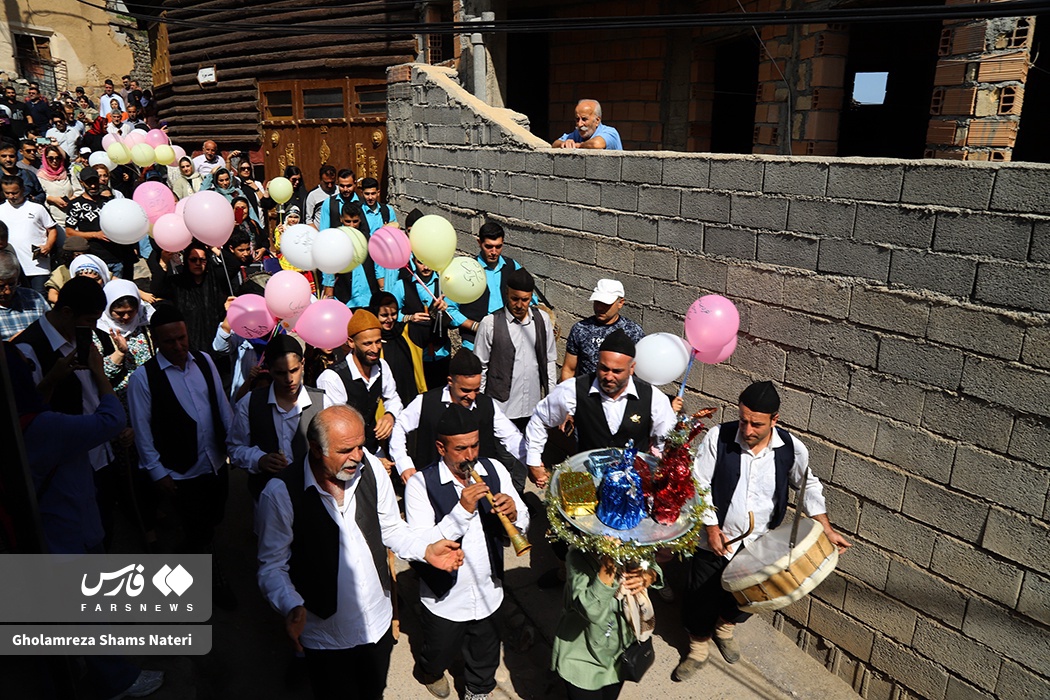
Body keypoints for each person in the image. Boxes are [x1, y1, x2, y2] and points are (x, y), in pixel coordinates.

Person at [255, 405, 465, 700]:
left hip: (376, 627)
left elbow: (391, 529)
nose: (356, 456)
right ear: (316, 449)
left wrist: (425, 550)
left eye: (360, 445)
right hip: (324, 637)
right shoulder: (279, 494)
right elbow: (271, 567)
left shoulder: (372, 469)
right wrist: (291, 604)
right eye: (345, 450)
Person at [6, 341, 166, 700]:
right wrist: (98, 372)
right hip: (67, 529)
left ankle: (73, 668)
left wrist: (50, 380)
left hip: (43, 532)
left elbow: (34, 407)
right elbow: (111, 420)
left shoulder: (21, 423)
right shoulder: (47, 429)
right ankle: (116, 680)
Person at [675, 381, 852, 678]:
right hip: (715, 538)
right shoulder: (718, 437)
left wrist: (827, 528)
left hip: (760, 544)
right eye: (743, 420)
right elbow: (699, 483)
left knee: (750, 597)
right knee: (700, 596)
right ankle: (698, 649)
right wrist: (712, 526)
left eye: (756, 424)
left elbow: (807, 485)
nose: (747, 430)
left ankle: (725, 628)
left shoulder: (792, 448)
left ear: (775, 420)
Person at [405, 404, 528, 700]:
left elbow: (522, 516)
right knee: (438, 651)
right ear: (440, 447)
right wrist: (462, 510)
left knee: (484, 654)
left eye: (474, 445)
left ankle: (478, 691)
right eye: (460, 449)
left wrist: (514, 515)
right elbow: (420, 546)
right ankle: (429, 670)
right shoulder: (420, 484)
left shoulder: (495, 470)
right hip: (445, 598)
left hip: (488, 590)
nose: (470, 456)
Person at [127, 304, 237, 608]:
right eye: (169, 341)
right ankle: (214, 584)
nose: (178, 346)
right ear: (156, 342)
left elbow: (221, 407)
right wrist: (157, 472)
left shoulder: (203, 361)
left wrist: (233, 446)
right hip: (181, 471)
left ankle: (183, 556)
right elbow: (143, 431)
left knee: (213, 518)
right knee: (199, 528)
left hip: (214, 463)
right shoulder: (143, 379)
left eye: (182, 338)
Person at [525, 330, 676, 489]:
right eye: (604, 368)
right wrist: (534, 462)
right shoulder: (573, 390)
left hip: (633, 489)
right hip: (585, 481)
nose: (609, 376)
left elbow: (667, 442)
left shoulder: (653, 398)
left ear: (632, 368)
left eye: (617, 371)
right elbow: (540, 419)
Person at [13, 277, 115, 475]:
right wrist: (52, 380)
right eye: (89, 320)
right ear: (67, 312)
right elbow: (29, 419)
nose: (94, 327)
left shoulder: (81, 337)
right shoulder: (28, 350)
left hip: (100, 457)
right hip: (65, 467)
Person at [390, 349, 528, 491]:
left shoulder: (487, 405)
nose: (472, 396)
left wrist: (531, 461)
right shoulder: (426, 402)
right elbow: (398, 427)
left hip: (478, 486)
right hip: (433, 486)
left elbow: (510, 437)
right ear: (450, 381)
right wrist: (404, 464)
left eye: (476, 390)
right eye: (465, 390)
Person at [229, 334, 332, 499]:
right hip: (266, 497)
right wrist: (259, 459)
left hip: (313, 498)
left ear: (303, 364)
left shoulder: (323, 402)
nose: (289, 379)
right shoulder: (250, 403)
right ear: (269, 370)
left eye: (294, 370)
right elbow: (235, 448)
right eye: (280, 373)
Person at [552, 547, 660, 700]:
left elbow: (652, 564)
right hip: (584, 659)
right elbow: (591, 609)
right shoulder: (578, 557)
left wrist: (650, 575)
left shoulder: (632, 546)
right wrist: (608, 566)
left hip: (618, 653)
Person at [474, 268, 556, 431]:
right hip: (501, 410)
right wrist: (481, 406)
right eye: (514, 299)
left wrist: (550, 399)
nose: (519, 305)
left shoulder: (542, 320)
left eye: (525, 300)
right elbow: (480, 368)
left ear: (531, 296)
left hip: (533, 410)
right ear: (506, 294)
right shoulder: (490, 323)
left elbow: (549, 361)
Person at [316, 309, 402, 455]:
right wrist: (371, 463)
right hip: (347, 455)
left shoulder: (382, 366)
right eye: (367, 344)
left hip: (375, 450)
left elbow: (393, 397)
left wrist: (390, 415)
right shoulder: (332, 378)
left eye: (378, 342)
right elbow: (338, 428)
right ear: (351, 343)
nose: (375, 349)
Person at [383, 253, 465, 389]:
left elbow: (454, 321)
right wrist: (409, 318)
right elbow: (389, 315)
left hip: (441, 352)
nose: (426, 267)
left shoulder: (444, 284)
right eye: (421, 262)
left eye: (429, 262)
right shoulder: (401, 285)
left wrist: (446, 311)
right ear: (414, 261)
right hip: (415, 353)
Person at [457, 221, 535, 351]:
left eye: (498, 247)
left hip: (507, 342)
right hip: (474, 343)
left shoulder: (512, 266)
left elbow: (531, 298)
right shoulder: (466, 271)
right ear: (479, 243)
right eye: (489, 246)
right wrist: (474, 326)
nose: (494, 252)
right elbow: (450, 309)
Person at [561, 279, 644, 381]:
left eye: (606, 304)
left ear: (620, 303)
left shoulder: (633, 332)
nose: (599, 308)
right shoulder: (580, 329)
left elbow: (640, 372)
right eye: (597, 302)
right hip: (586, 393)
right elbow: (569, 369)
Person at [152, 240, 228, 352]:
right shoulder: (177, 283)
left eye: (202, 260)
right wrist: (164, 262)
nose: (198, 263)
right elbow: (157, 289)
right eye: (193, 260)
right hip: (188, 346)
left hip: (214, 345)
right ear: (187, 261)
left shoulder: (214, 281)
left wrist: (213, 247)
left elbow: (232, 265)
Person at [65, 166, 135, 279]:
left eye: (94, 181)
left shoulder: (110, 202)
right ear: (82, 183)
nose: (92, 186)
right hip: (93, 259)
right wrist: (95, 235)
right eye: (88, 183)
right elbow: (69, 232)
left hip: (116, 258)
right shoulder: (75, 205)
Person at [0, 174, 56, 294]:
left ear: (23, 190)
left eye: (15, 193)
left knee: (39, 299)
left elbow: (52, 229)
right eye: (7, 193)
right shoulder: (1, 210)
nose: (11, 196)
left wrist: (48, 246)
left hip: (37, 267)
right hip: (11, 268)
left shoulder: (37, 208)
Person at [371, 291, 425, 406]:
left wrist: (438, 312)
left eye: (394, 314)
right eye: (384, 315)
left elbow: (433, 330)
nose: (390, 319)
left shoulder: (407, 332)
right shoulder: (371, 341)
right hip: (385, 408)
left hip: (412, 402)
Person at [0, 248, 49, 340]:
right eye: (1, 286)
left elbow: (53, 330)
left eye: (11, 284)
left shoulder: (34, 298)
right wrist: (8, 346)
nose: (7, 291)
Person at [552, 99, 623, 150]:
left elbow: (597, 144)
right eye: (577, 119)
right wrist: (565, 143)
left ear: (597, 120)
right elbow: (555, 144)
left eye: (584, 119)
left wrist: (578, 145)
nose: (579, 124)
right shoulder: (578, 134)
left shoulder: (610, 132)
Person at [37, 144, 74, 235]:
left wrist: (72, 199)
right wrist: (52, 199)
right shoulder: (40, 176)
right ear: (45, 159)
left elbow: (78, 190)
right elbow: (39, 195)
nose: (54, 161)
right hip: (55, 220)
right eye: (51, 158)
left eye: (58, 158)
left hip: (72, 217)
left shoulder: (67, 173)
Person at [0, 139, 44, 205]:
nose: (8, 159)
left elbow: (41, 194)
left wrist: (34, 199)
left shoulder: (28, 175)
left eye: (12, 156)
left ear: (17, 157)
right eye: (4, 156)